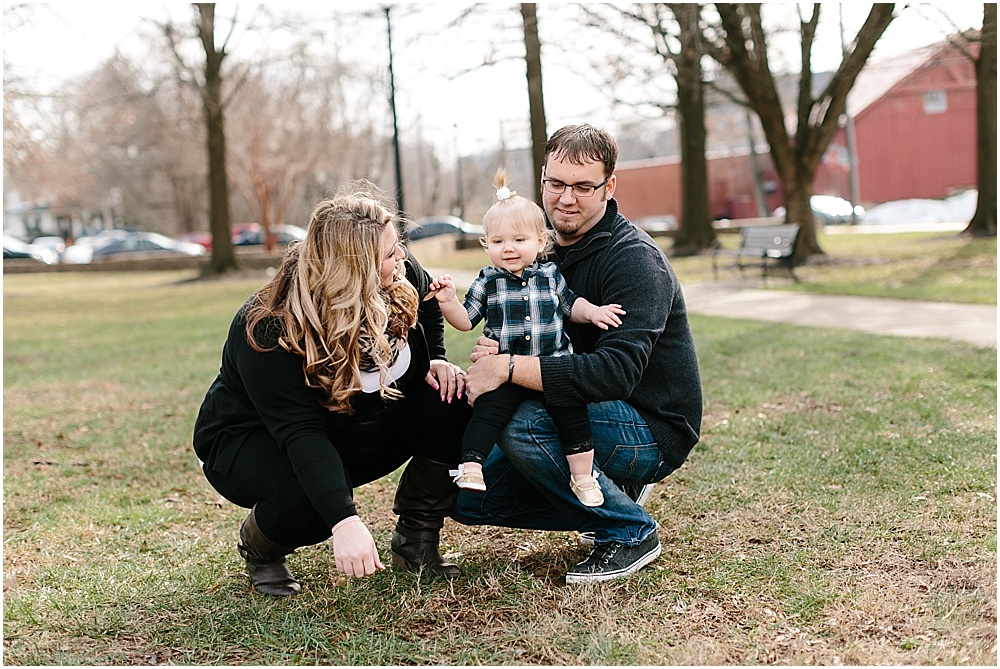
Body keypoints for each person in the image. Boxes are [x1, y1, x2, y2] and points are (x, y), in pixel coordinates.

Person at [193, 182, 472, 597]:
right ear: (352, 268)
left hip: (350, 420)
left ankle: (415, 539)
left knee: (451, 396)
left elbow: (427, 299)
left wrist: (436, 358)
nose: (403, 259)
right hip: (253, 438)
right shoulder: (268, 326)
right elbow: (301, 432)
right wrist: (344, 519)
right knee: (313, 503)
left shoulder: (399, 272)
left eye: (398, 248)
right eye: (390, 254)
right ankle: (261, 546)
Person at [452, 124, 703, 584]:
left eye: (584, 187)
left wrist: (508, 367)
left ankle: (628, 530)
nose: (566, 199)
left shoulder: (634, 260)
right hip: (574, 406)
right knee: (470, 498)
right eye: (556, 184)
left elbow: (614, 375)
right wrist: (494, 347)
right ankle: (613, 491)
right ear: (543, 176)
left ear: (608, 187)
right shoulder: (532, 247)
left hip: (647, 423)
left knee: (521, 420)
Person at [428, 168, 625, 507]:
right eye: (498, 241)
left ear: (539, 241)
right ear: (486, 244)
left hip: (552, 368)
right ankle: (472, 465)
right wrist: (447, 301)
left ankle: (582, 476)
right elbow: (466, 320)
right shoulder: (488, 281)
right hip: (506, 373)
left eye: (519, 240)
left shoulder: (550, 275)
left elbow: (570, 305)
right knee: (488, 410)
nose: (509, 249)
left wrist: (593, 312)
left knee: (572, 415)